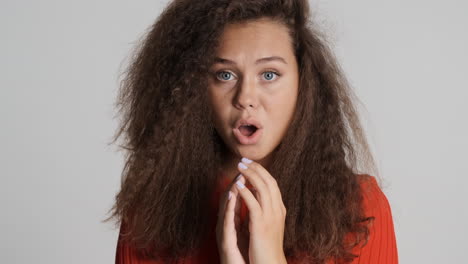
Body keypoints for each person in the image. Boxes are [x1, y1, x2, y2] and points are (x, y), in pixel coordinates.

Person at [103, 0, 399, 263]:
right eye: (225, 75)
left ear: (303, 84)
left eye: (269, 74)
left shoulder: (360, 209)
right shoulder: (149, 216)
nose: (245, 96)